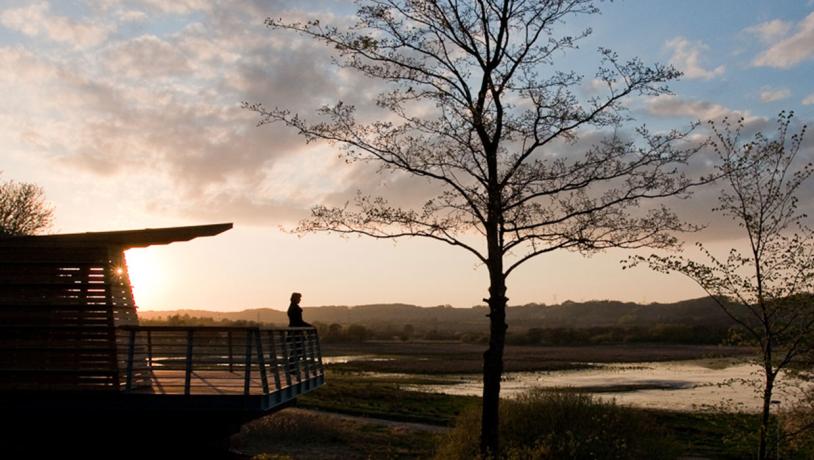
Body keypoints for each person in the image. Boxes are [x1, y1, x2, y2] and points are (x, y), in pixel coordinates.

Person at [286, 292, 311, 377]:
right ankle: (291, 369)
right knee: (298, 351)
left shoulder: (292, 307)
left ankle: (292, 369)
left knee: (296, 351)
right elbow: (299, 321)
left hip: (294, 332)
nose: (300, 300)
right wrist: (310, 326)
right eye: (299, 298)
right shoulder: (295, 308)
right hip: (296, 332)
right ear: (295, 298)